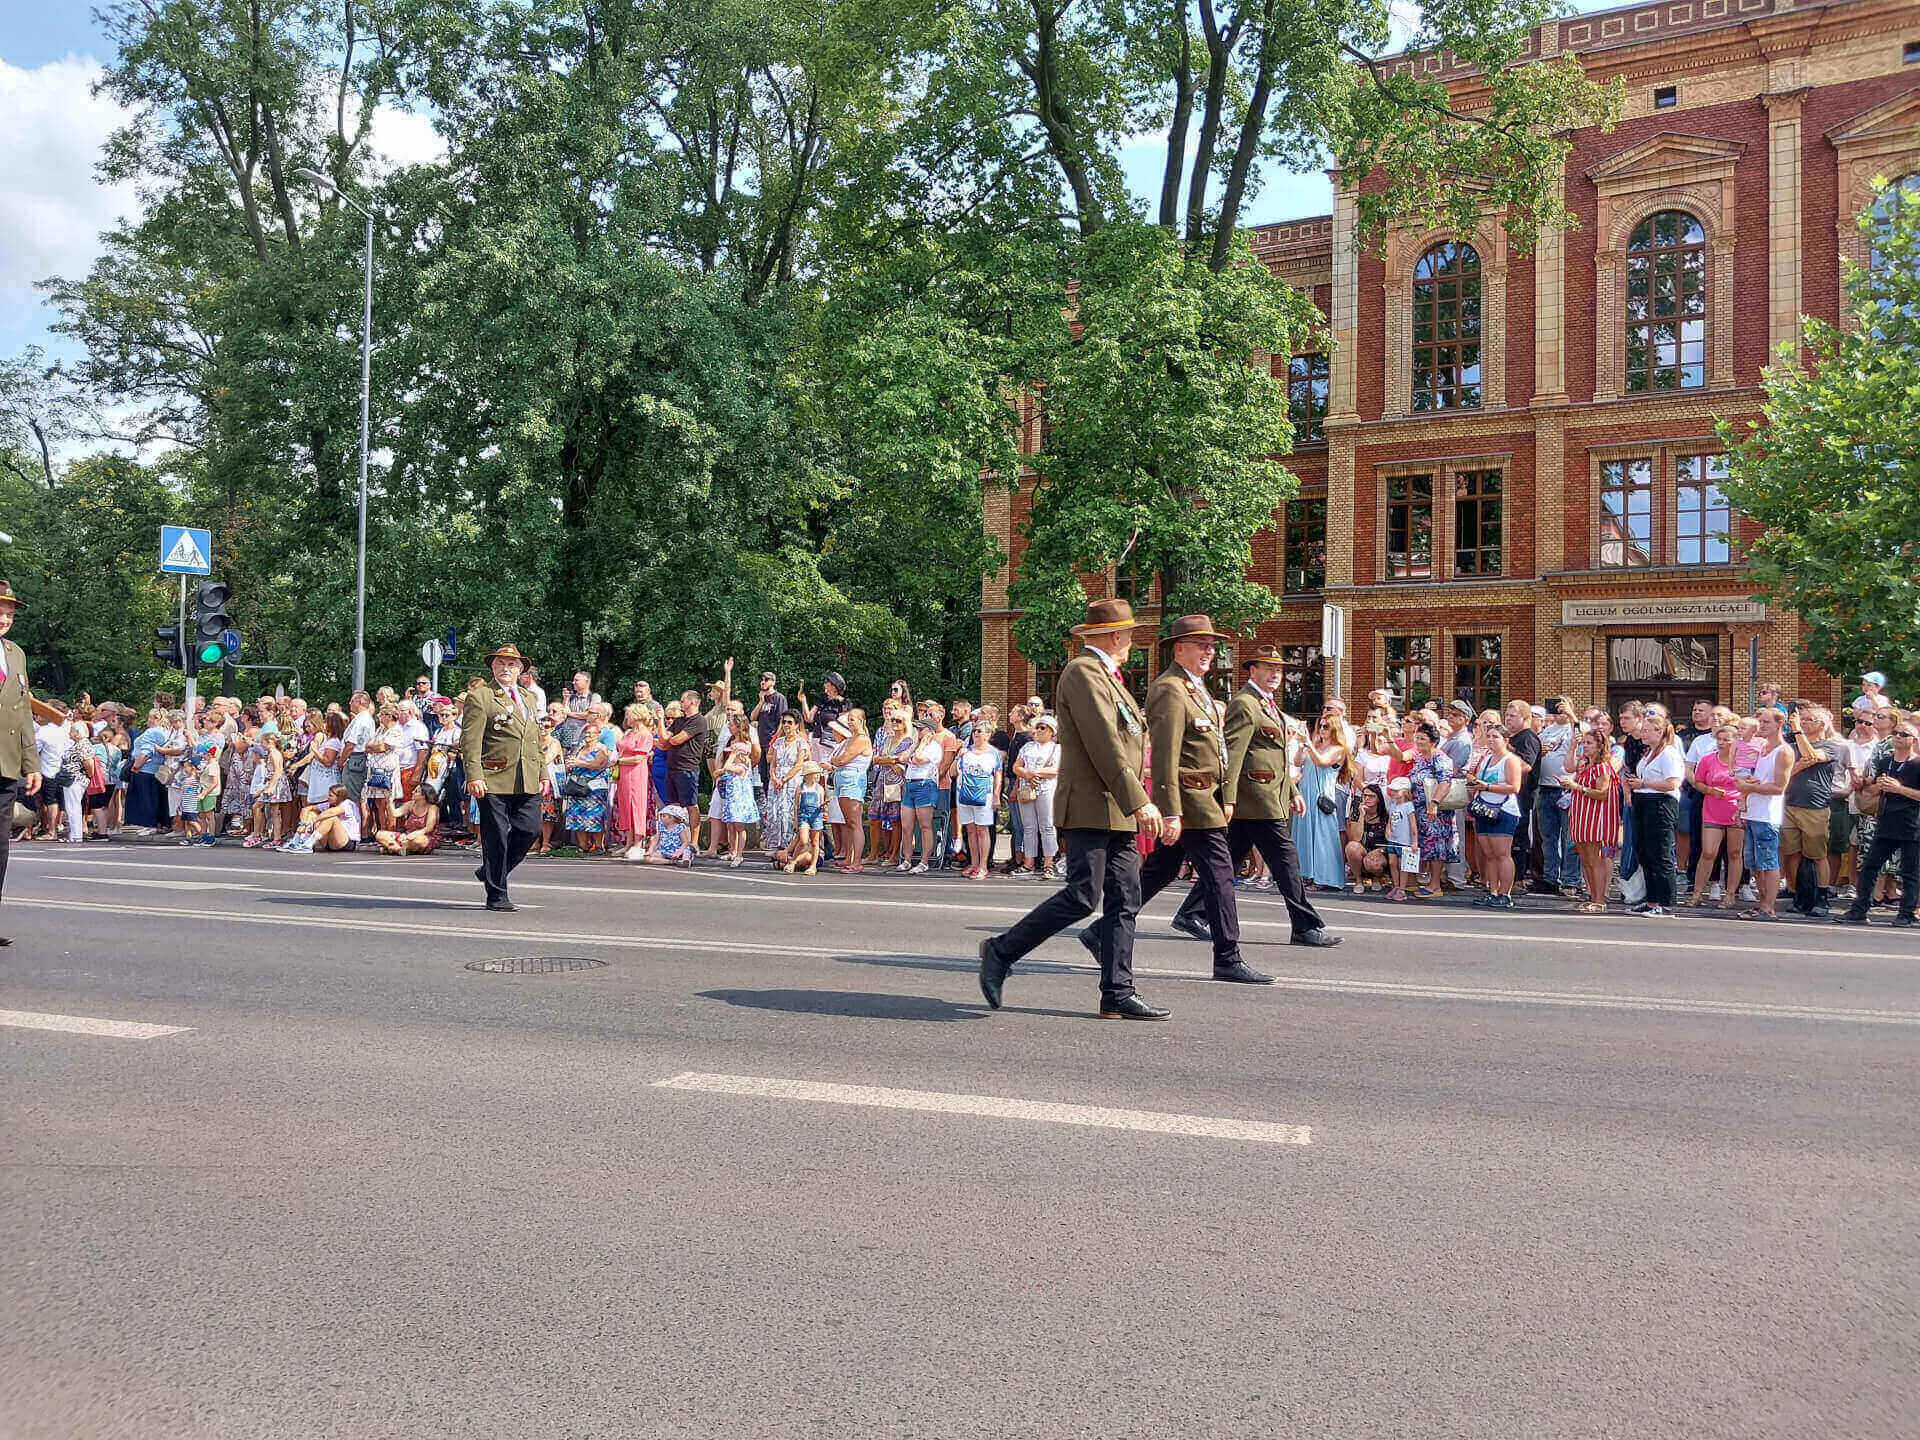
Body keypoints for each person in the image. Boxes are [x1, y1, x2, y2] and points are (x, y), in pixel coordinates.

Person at [977, 598, 1168, 1021]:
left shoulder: (1109, 677)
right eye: (1130, 634)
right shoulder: (1084, 673)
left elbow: (1131, 741)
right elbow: (1105, 743)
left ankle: (1117, 991)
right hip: (1090, 805)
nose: (1132, 641)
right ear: (1115, 635)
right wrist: (1140, 799)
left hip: (1114, 806)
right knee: (1084, 896)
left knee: (1125, 897)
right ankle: (1000, 951)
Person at [1179, 641, 1340, 946]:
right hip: (1255, 800)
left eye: (1278, 670)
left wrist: (1291, 789)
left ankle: (1192, 912)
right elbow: (1233, 754)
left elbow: (1274, 755)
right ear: (1252, 670)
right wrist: (1227, 797)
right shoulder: (1246, 702)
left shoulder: (1266, 703)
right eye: (1268, 668)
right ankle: (1304, 925)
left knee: (1228, 860)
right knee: (1286, 861)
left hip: (1265, 797)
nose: (1275, 674)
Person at [461, 643, 547, 912]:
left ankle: (490, 871)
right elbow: (470, 741)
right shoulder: (482, 697)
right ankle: (497, 894)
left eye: (512, 664)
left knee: (530, 829)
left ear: (521, 669)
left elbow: (534, 740)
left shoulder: (529, 698)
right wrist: (474, 775)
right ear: (492, 668)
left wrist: (543, 772)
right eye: (500, 664)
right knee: (496, 836)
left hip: (527, 776)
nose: (506, 668)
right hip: (493, 776)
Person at [1835, 720, 1920, 927]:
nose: (1899, 737)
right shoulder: (1885, 762)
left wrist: (1899, 789)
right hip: (1886, 821)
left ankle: (1906, 913)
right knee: (1870, 867)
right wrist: (1875, 787)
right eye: (1896, 733)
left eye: (1904, 734)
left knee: (1909, 872)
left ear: (1914, 741)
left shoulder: (1917, 764)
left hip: (1911, 824)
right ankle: (1859, 910)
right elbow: (1874, 790)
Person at [1780, 706, 1844, 916]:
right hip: (1790, 803)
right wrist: (1798, 765)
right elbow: (1785, 771)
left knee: (1817, 854)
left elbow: (1813, 755)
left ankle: (1821, 897)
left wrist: (1798, 732)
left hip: (1814, 806)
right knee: (1792, 853)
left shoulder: (1831, 745)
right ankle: (1798, 894)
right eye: (1801, 719)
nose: (1803, 722)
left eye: (1809, 720)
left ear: (1822, 725)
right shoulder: (1791, 745)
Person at [1733, 706, 1793, 921]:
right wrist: (1745, 794)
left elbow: (1778, 787)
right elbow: (1757, 778)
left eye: (1767, 722)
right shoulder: (1762, 748)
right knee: (1756, 864)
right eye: (1760, 721)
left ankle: (1769, 907)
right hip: (1753, 812)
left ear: (1780, 724)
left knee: (1768, 862)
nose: (1762, 726)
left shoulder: (1783, 751)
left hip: (1767, 816)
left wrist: (1750, 788)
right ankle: (1761, 904)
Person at [1625, 711, 1685, 916]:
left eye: (1647, 731)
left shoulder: (1669, 753)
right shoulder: (1649, 753)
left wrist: (1643, 783)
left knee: (1660, 853)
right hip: (1643, 801)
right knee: (1645, 852)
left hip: (1660, 804)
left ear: (1659, 732)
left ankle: (1666, 902)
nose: (1643, 734)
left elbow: (1672, 783)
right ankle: (1651, 900)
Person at [1466, 711, 1523, 909]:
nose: (1491, 740)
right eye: (1488, 736)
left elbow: (1514, 787)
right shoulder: (1486, 759)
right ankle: (1492, 891)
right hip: (1484, 809)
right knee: (1489, 854)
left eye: (1495, 737)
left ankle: (1505, 894)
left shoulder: (1510, 760)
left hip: (1504, 810)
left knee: (1502, 854)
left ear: (1505, 740)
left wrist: (1487, 786)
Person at [1686, 724, 1745, 910]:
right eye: (1718, 739)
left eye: (1726, 739)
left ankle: (1730, 894)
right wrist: (1710, 790)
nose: (1721, 743)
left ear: (1736, 741)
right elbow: (1698, 782)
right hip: (1712, 809)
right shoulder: (1707, 759)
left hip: (1736, 810)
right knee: (1708, 852)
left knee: (1735, 853)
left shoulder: (1743, 761)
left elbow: (1752, 782)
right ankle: (1697, 893)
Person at [1564, 728, 1621, 913]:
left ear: (1599, 746)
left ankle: (1599, 899)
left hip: (1594, 819)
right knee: (1586, 860)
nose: (1585, 746)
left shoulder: (1603, 767)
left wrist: (1576, 787)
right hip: (1581, 816)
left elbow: (1602, 794)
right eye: (1584, 743)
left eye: (1589, 743)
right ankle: (1592, 896)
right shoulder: (1585, 765)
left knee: (1595, 860)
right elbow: (1569, 766)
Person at [1294, 714, 1349, 889]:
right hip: (1306, 792)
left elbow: (1322, 762)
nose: (1322, 730)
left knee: (1323, 837)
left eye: (1326, 727)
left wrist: (1309, 744)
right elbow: (1297, 761)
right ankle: (1307, 873)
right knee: (1305, 835)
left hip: (1321, 796)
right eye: (1320, 726)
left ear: (1334, 729)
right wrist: (1303, 745)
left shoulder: (1338, 748)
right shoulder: (1315, 744)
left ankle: (1325, 878)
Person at [1010, 714, 1062, 878]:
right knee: (1029, 827)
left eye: (1042, 728)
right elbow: (1016, 766)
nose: (1038, 731)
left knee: (1047, 825)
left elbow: (1055, 769)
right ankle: (1028, 862)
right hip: (1027, 789)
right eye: (1037, 727)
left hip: (1046, 789)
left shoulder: (1056, 748)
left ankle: (1048, 863)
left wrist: (1034, 773)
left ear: (1051, 732)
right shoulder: (1027, 747)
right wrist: (1026, 774)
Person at [953, 722, 1002, 881]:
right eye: (975, 731)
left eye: (980, 731)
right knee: (971, 830)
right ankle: (973, 863)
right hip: (965, 794)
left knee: (982, 830)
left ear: (988, 734)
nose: (976, 734)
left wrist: (996, 796)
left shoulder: (993, 753)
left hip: (983, 795)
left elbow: (998, 775)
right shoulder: (966, 752)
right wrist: (958, 755)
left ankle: (983, 865)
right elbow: (953, 772)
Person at [828, 710, 872, 874]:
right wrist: (837, 761)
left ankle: (857, 861)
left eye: (853, 720)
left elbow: (842, 759)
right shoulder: (850, 739)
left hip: (852, 782)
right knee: (848, 822)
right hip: (843, 780)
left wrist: (837, 761)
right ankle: (849, 857)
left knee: (855, 822)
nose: (850, 722)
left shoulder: (861, 739)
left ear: (862, 721)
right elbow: (836, 758)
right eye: (849, 720)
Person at [761, 712, 805, 858]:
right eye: (784, 722)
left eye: (790, 722)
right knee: (774, 812)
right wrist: (773, 777)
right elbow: (772, 762)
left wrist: (784, 779)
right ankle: (774, 843)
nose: (786, 725)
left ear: (797, 725)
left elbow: (799, 764)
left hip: (791, 780)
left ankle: (788, 845)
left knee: (788, 813)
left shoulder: (801, 742)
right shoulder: (778, 742)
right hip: (776, 780)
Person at [613, 704, 655, 852]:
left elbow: (639, 758)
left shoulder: (646, 735)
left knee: (636, 805)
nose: (626, 718)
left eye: (629, 715)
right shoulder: (629, 733)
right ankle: (628, 842)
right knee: (625, 806)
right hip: (623, 774)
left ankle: (638, 842)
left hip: (636, 773)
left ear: (637, 715)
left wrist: (619, 761)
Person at [783, 762, 827, 874]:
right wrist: (796, 820)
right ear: (807, 775)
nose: (817, 776)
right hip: (804, 816)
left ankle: (813, 866)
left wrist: (823, 806)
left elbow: (821, 803)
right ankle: (792, 862)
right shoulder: (801, 788)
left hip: (816, 816)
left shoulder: (819, 788)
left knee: (815, 842)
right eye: (814, 774)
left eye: (818, 774)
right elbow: (796, 805)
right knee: (803, 840)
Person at [376, 785, 440, 855]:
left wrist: (415, 834)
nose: (412, 792)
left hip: (423, 836)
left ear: (423, 796)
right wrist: (390, 802)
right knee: (379, 834)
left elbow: (429, 828)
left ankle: (393, 847)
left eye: (416, 791)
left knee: (419, 840)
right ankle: (399, 849)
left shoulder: (432, 808)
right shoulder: (411, 804)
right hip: (406, 837)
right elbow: (395, 813)